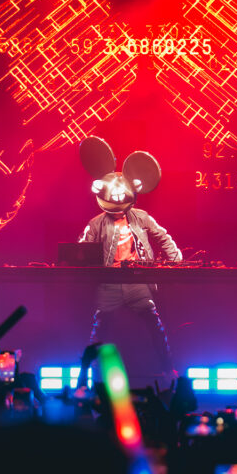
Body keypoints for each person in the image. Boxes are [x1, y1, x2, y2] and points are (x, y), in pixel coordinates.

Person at [77, 137, 181, 377]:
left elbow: (163, 236)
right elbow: (82, 250)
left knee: (154, 325)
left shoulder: (141, 217)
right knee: (99, 330)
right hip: (111, 282)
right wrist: (77, 261)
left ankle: (168, 370)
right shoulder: (96, 223)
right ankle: (84, 375)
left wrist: (176, 261)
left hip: (137, 280)